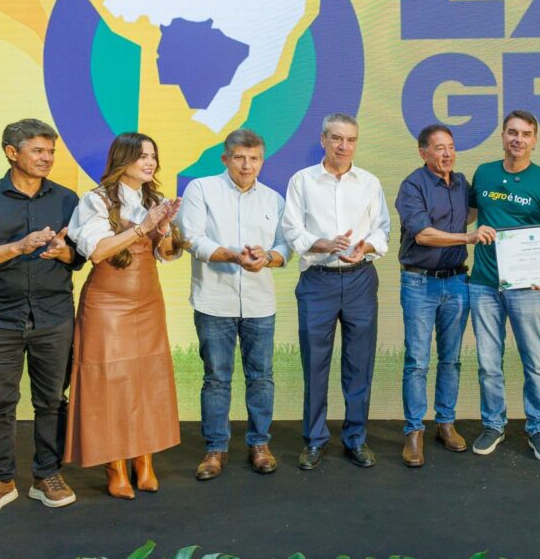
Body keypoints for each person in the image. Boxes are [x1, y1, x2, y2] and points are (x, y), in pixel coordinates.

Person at [65, 132, 186, 499]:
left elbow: (168, 254)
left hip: (148, 300)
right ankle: (115, 465)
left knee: (148, 378)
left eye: (153, 156)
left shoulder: (155, 200)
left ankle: (144, 460)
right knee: (110, 381)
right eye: (142, 156)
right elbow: (98, 252)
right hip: (108, 303)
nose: (150, 162)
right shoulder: (96, 200)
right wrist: (142, 228)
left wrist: (164, 231)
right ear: (123, 160)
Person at [177, 129, 289, 481]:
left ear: (262, 161)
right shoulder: (201, 189)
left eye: (254, 158)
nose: (246, 165)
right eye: (239, 157)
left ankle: (260, 444)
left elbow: (285, 246)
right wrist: (232, 255)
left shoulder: (273, 199)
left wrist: (266, 257)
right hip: (214, 300)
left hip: (259, 303)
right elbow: (191, 239)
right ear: (225, 158)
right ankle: (215, 448)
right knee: (216, 378)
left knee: (261, 377)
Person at [282, 114, 390, 470]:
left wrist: (365, 247)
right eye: (337, 138)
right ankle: (314, 440)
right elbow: (291, 231)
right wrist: (323, 243)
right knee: (315, 363)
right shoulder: (302, 181)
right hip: (318, 280)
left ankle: (356, 439)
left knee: (359, 363)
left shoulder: (369, 182)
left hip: (360, 279)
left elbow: (383, 230)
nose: (344, 146)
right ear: (323, 140)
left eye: (351, 140)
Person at [0, 120, 83, 518]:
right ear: (12, 152)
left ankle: (47, 475)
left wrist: (63, 252)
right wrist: (17, 247)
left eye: (51, 152)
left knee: (52, 401)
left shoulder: (67, 199)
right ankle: (0, 479)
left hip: (53, 315)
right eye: (38, 151)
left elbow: (79, 257)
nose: (47, 158)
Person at [394, 125, 495, 467]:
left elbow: (474, 213)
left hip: (456, 283)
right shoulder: (412, 186)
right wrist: (467, 238)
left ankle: (446, 423)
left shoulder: (462, 183)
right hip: (419, 283)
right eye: (439, 148)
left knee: (451, 359)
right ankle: (414, 431)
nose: (447, 153)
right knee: (417, 361)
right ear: (423, 152)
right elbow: (423, 235)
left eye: (451, 146)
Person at [467, 110, 540, 462]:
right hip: (483, 284)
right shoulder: (483, 173)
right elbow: (469, 216)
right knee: (488, 362)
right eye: (512, 132)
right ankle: (493, 424)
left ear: (534, 140)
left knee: (534, 361)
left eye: (525, 134)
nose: (518, 139)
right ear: (503, 136)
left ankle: (538, 428)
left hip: (526, 288)